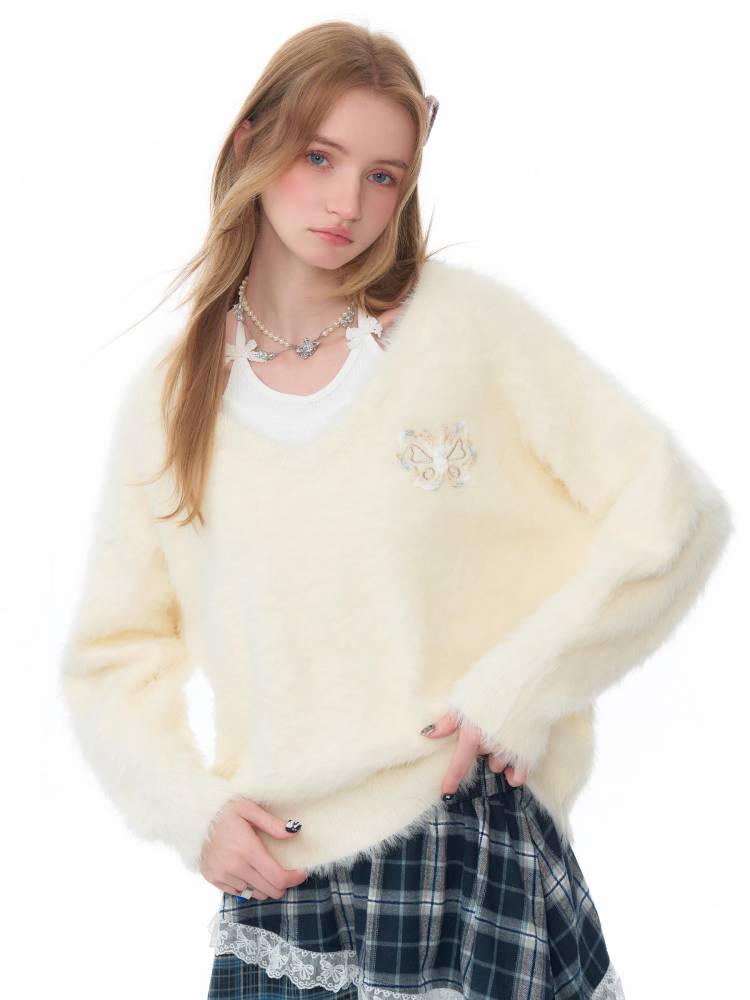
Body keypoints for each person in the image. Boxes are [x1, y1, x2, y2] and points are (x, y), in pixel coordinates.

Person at [58, 19, 733, 1000]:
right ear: (251, 142)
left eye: (384, 175)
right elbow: (112, 656)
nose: (348, 202)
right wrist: (188, 810)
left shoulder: (463, 330)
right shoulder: (172, 401)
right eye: (320, 156)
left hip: (465, 843)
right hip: (285, 872)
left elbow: (673, 513)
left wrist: (520, 682)